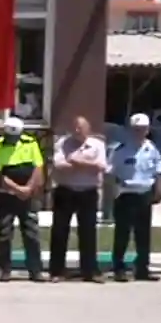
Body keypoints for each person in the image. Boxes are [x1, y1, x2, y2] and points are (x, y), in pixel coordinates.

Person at [107, 112, 161, 282]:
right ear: (130, 130)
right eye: (136, 129)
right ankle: (119, 268)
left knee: (143, 234)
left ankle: (142, 268)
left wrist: (159, 190)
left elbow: (158, 170)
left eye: (142, 129)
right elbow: (110, 172)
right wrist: (112, 191)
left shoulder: (151, 148)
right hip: (126, 195)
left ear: (147, 130)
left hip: (144, 195)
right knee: (122, 234)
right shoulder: (120, 149)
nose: (139, 132)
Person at [49, 115, 108, 282]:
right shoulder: (62, 143)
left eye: (80, 128)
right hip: (65, 191)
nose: (77, 131)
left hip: (88, 193)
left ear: (88, 130)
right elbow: (59, 165)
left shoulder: (98, 145)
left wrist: (75, 161)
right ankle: (57, 271)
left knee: (88, 232)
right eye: (74, 127)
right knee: (60, 231)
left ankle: (90, 271)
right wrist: (88, 164)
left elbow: (101, 166)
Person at [0, 116, 46, 282]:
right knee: (4, 233)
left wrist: (29, 188)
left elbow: (38, 167)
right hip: (6, 195)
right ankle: (5, 269)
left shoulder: (30, 143)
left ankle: (35, 270)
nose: (13, 140)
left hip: (28, 196)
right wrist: (17, 189)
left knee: (32, 233)